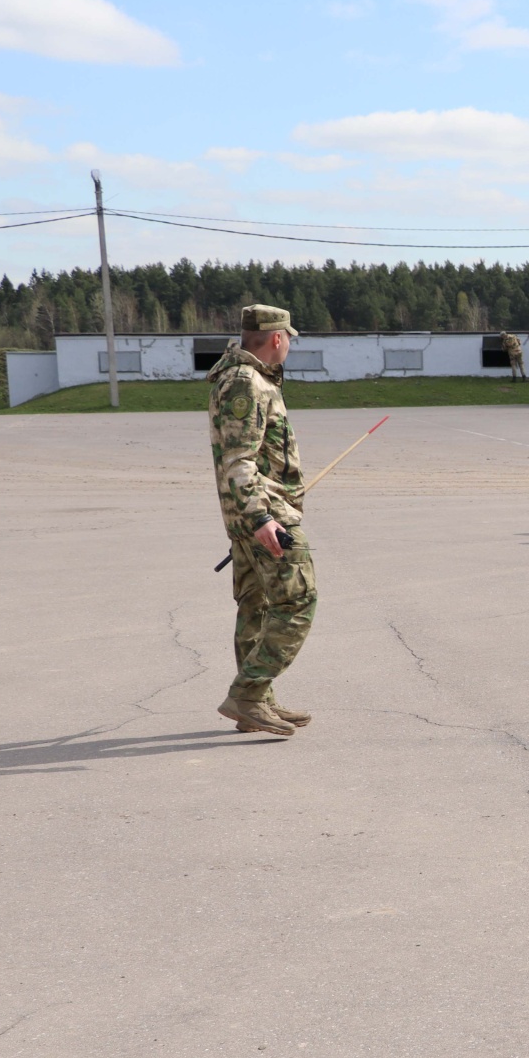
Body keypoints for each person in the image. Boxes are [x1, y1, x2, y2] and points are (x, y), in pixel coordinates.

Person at [209, 304, 316, 738]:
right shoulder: (246, 383)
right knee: (298, 603)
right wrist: (261, 519)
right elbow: (239, 461)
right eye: (288, 336)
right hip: (264, 518)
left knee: (257, 606)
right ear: (276, 338)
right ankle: (248, 694)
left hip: (253, 514)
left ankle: (256, 704)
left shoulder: (244, 378)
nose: (289, 343)